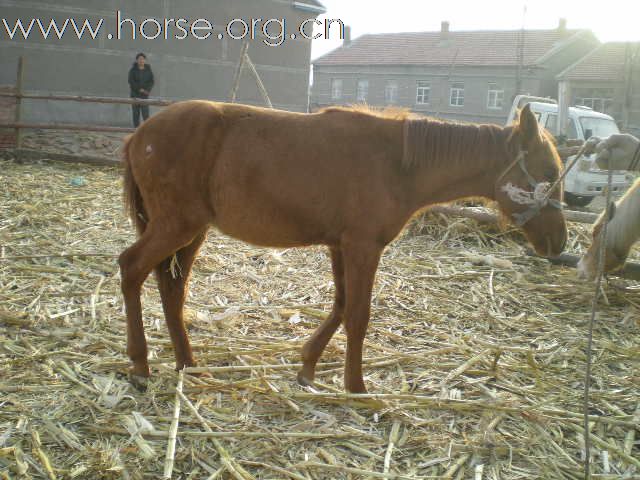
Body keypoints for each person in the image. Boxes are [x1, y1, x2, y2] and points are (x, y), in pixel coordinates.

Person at [128, 53, 154, 128]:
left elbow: (151, 81)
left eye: (142, 59)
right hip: (135, 95)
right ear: (137, 60)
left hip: (145, 96)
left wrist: (146, 90)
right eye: (139, 59)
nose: (141, 60)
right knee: (136, 115)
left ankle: (146, 130)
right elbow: (131, 82)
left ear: (145, 60)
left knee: (146, 115)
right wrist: (140, 90)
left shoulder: (148, 70)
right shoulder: (133, 70)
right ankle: (136, 131)